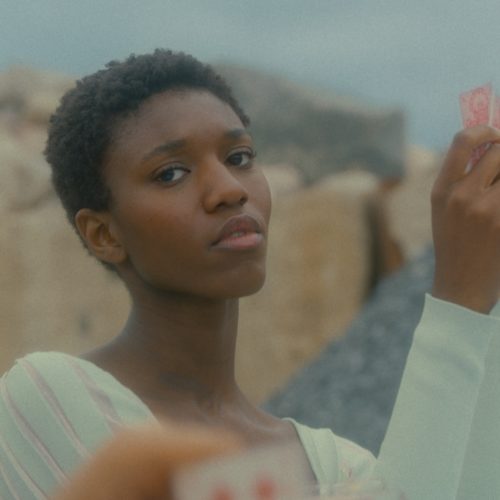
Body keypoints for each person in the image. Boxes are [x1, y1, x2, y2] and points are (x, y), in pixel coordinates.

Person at [0, 48, 499, 500]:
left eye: (239, 158)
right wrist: (456, 302)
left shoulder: (335, 463)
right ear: (103, 234)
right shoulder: (46, 398)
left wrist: (482, 297)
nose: (229, 189)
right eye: (171, 173)